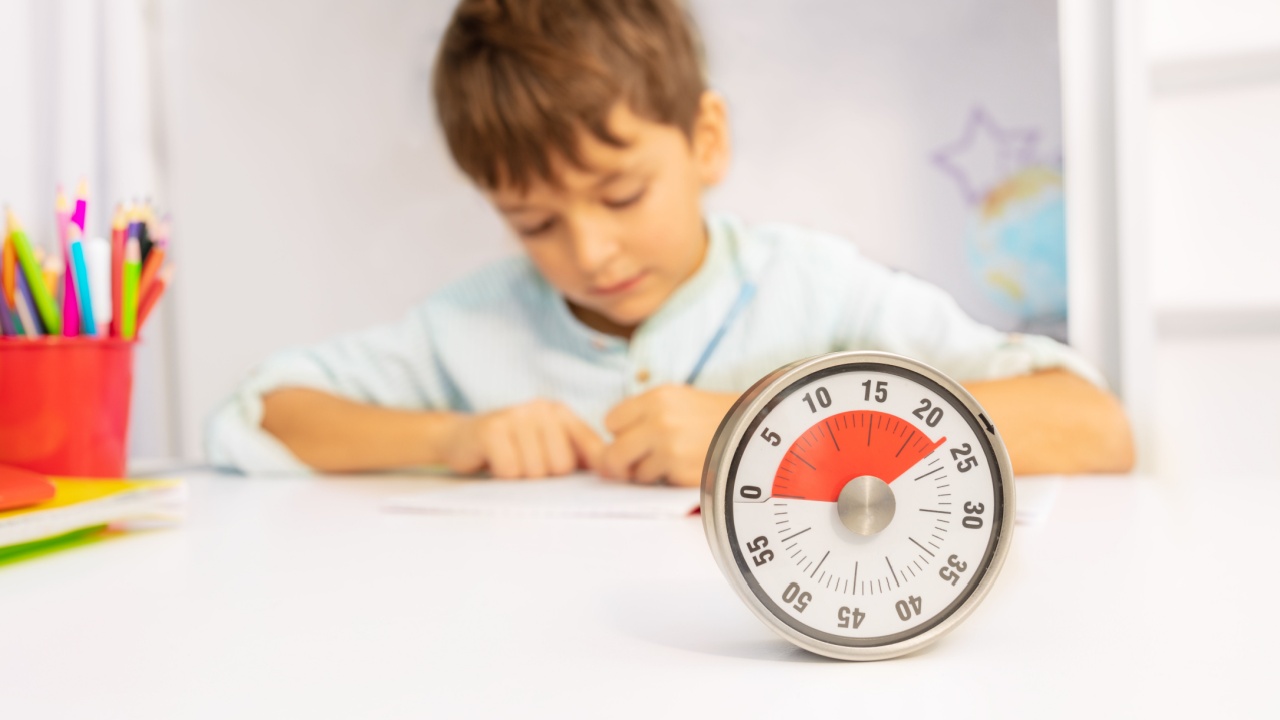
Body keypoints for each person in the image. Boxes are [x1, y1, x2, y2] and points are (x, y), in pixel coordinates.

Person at [205, 0, 1134, 484]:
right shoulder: (473, 327)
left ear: (705, 141)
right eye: (534, 222)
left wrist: (765, 428)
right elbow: (259, 416)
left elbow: (1091, 424)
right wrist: (454, 435)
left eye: (621, 194)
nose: (591, 253)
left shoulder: (817, 290)